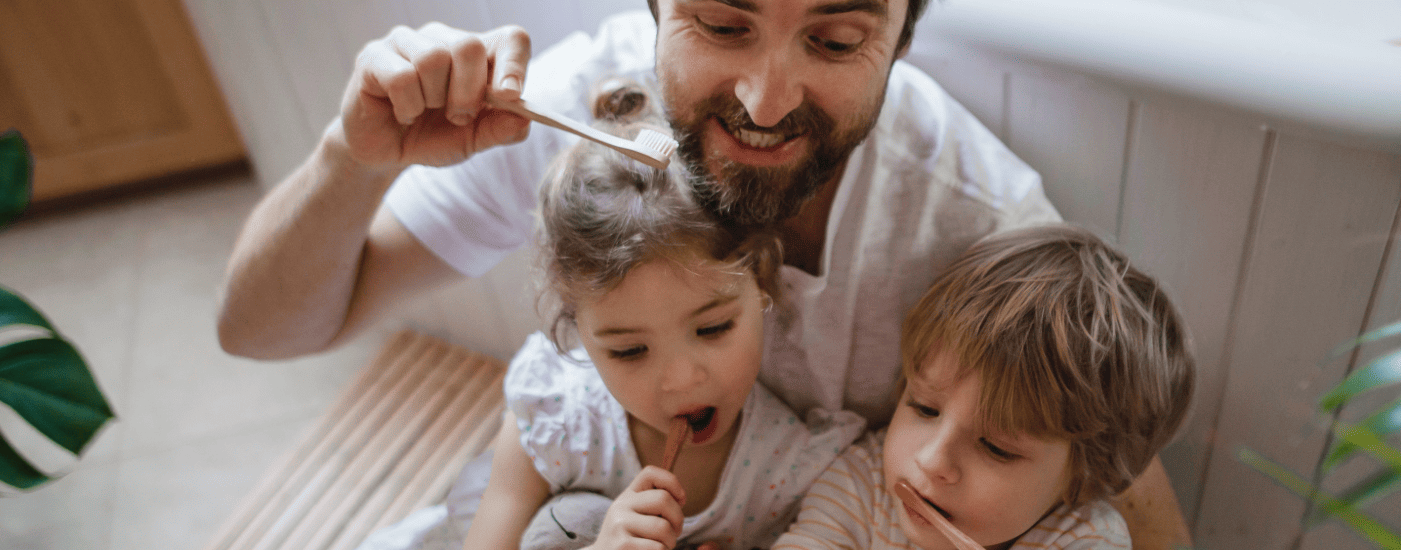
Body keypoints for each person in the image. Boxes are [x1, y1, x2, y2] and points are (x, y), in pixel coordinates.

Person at [219, 0, 1185, 546]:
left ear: (902, 34)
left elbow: (1122, 481)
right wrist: (354, 154)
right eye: (723, 22)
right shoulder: (577, 124)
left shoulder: (978, 222)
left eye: (837, 40)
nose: (766, 99)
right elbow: (260, 331)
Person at [401, 83, 863, 550]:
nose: (682, 380)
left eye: (713, 327)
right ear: (576, 329)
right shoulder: (559, 421)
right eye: (629, 351)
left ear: (761, 284)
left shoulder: (788, 469)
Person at [773, 225, 1194, 550]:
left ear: (1082, 479)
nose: (931, 459)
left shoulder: (1084, 537)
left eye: (996, 447)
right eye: (923, 408)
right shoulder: (862, 484)